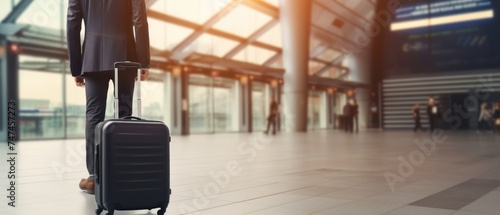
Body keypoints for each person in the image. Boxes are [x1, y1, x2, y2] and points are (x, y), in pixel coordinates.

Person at [67, 0, 150, 194]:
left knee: (94, 115)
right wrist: (143, 61)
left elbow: (72, 24)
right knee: (124, 114)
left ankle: (95, 178)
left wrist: (76, 67)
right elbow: (140, 21)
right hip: (126, 55)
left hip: (92, 57)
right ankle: (122, 173)